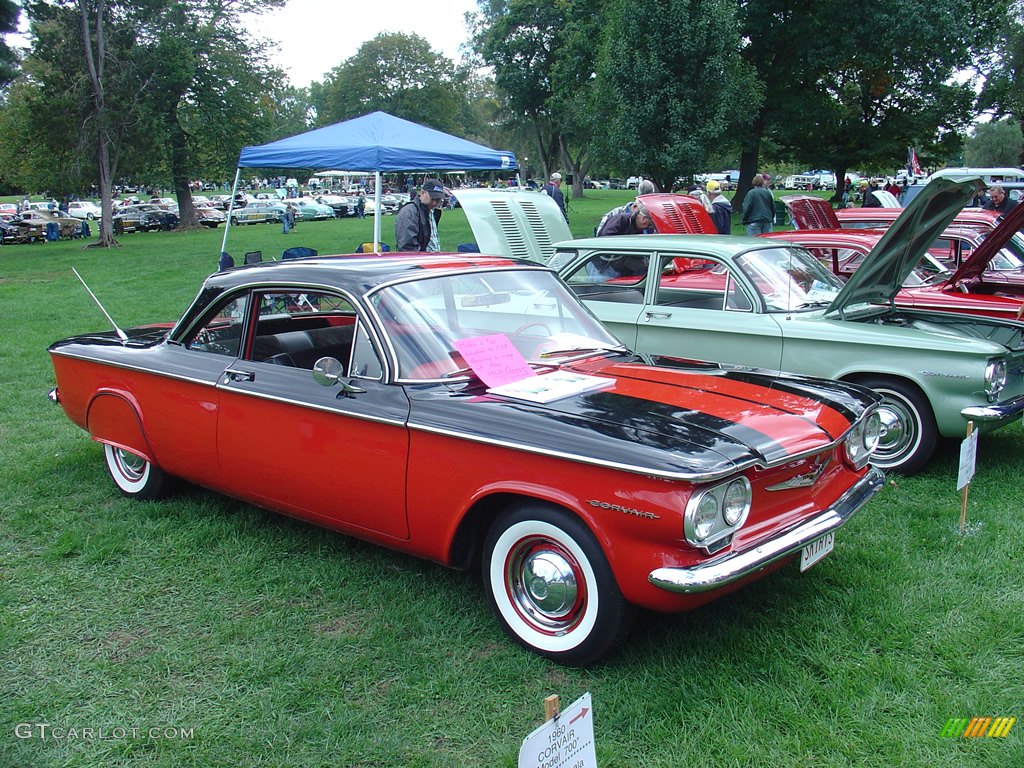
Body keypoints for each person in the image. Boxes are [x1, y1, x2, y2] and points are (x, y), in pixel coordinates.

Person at [395, 178, 444, 251]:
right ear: (422, 193)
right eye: (432, 198)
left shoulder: (431, 212)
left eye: (437, 199)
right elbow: (407, 248)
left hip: (431, 259)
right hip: (419, 260)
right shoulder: (409, 212)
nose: (434, 203)